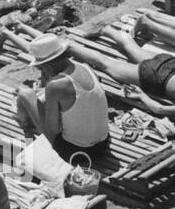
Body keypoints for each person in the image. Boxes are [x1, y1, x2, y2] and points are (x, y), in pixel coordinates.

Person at [9, 32, 111, 162]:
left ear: (48, 66)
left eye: (41, 68)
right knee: (47, 100)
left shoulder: (56, 85)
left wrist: (37, 103)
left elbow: (53, 129)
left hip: (75, 152)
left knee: (24, 93)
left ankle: (24, 124)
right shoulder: (86, 67)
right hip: (102, 145)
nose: (42, 72)